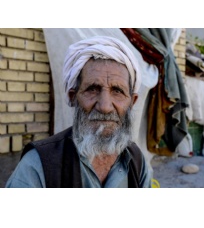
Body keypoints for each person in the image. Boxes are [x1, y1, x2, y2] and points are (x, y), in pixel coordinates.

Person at [6, 36, 151, 188]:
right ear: (73, 97)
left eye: (117, 91)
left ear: (132, 101)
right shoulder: (37, 165)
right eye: (92, 89)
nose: (105, 106)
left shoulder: (136, 161)